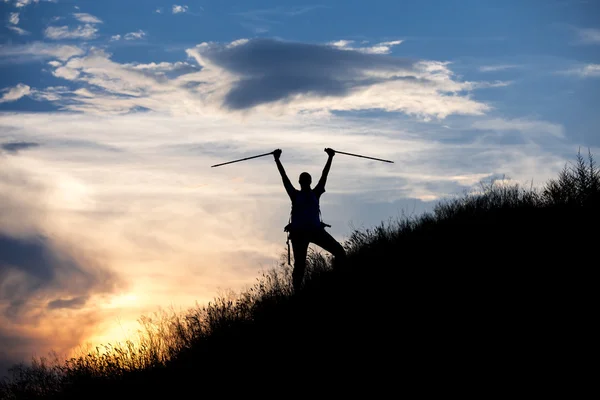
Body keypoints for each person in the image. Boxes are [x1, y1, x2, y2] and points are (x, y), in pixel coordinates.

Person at [273, 148, 346, 291]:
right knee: (300, 266)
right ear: (303, 182)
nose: (305, 183)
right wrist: (277, 160)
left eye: (306, 181)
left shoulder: (308, 194)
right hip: (303, 233)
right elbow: (284, 178)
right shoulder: (303, 194)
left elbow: (324, 175)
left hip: (311, 231)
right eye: (305, 181)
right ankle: (297, 293)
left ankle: (338, 280)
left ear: (304, 182)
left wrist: (330, 157)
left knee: (339, 252)